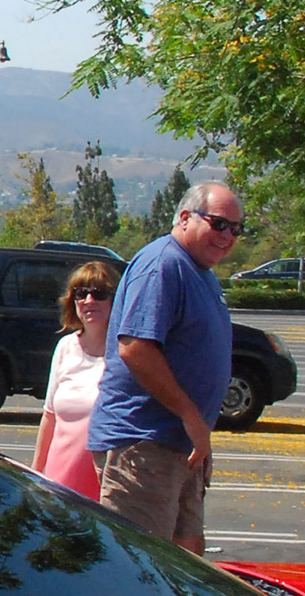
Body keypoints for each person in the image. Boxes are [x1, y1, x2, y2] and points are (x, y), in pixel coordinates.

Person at [87, 182, 242, 554]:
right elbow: (135, 348)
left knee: (186, 560)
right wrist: (190, 415)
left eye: (236, 229)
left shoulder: (198, 269)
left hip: (180, 444)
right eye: (219, 224)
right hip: (145, 442)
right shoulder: (163, 264)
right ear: (185, 217)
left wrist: (196, 426)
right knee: (140, 567)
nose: (228, 236)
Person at [31, 258, 117, 497]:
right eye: (82, 293)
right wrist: (36, 473)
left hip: (107, 483)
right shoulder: (65, 347)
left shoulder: (125, 353)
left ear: (116, 299)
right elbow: (49, 417)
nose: (90, 301)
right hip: (60, 480)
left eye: (100, 293)